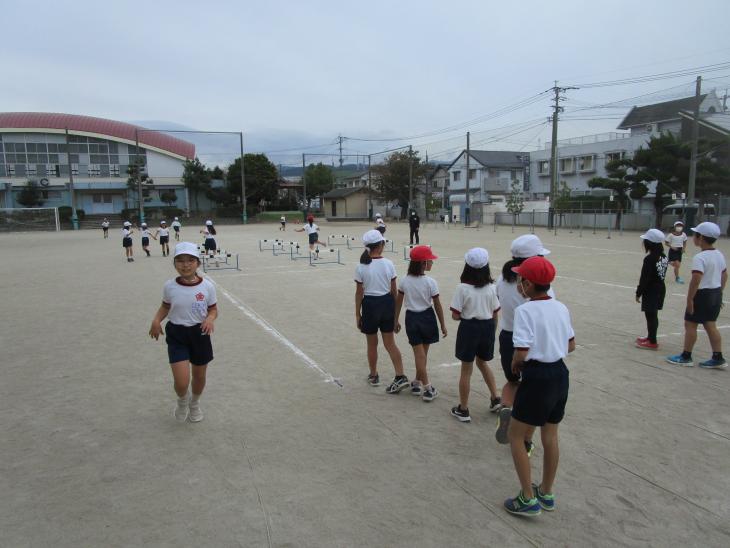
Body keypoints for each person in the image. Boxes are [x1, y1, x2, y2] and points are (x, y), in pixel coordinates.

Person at [503, 256, 575, 517]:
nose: (519, 283)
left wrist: (515, 364)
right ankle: (546, 491)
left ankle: (527, 497)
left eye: (522, 279)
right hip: (559, 374)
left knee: (515, 435)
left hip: (537, 375)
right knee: (551, 435)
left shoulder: (525, 311)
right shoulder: (561, 307)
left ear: (530, 283)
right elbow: (571, 344)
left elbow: (521, 352)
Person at [149, 242, 218, 422]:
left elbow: (213, 309)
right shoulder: (170, 286)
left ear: (198, 263)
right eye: (180, 261)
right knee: (181, 382)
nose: (185, 265)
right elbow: (165, 306)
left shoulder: (208, 286)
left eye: (190, 260)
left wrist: (210, 319)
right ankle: (182, 400)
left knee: (199, 375)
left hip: (199, 334)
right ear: (174, 264)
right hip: (177, 334)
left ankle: (194, 404)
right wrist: (156, 320)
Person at [496, 234, 551, 451]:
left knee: (512, 382)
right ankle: (526, 438)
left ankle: (507, 407)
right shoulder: (537, 285)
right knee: (534, 391)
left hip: (507, 336)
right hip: (530, 343)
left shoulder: (502, 279)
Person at [449, 248, 502, 423]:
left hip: (469, 327)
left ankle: (463, 409)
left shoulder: (462, 288)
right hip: (487, 327)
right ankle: (495, 397)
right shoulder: (491, 288)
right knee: (483, 362)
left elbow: (455, 315)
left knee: (466, 369)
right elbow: (495, 313)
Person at [666, 222, 728, 368]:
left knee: (690, 324)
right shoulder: (719, 254)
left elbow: (696, 279)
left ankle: (686, 356)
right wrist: (720, 292)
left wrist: (690, 299)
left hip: (702, 294)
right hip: (715, 293)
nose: (693, 236)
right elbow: (725, 275)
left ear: (701, 238)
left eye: (696, 234)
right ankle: (718, 356)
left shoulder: (700, 258)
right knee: (710, 325)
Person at [355, 229, 408, 393]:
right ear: (381, 244)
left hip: (370, 305)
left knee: (372, 344)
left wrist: (358, 313)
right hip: (386, 304)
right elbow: (394, 291)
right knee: (390, 343)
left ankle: (374, 375)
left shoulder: (361, 266)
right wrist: (395, 317)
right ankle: (400, 375)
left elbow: (359, 293)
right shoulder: (389, 264)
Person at [394, 245, 447, 401]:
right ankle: (428, 388)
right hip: (427, 318)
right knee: (422, 355)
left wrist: (395, 319)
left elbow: (398, 301)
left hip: (411, 318)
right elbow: (437, 305)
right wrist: (442, 324)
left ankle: (417, 382)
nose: (432, 263)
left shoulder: (404, 280)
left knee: (421, 355)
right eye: (430, 260)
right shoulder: (431, 282)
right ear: (423, 263)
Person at [635, 229, 669, 350]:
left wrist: (639, 292)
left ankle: (653, 341)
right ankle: (650, 337)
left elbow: (645, 278)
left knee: (651, 315)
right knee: (653, 314)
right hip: (660, 288)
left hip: (651, 290)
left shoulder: (649, 259)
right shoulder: (664, 257)